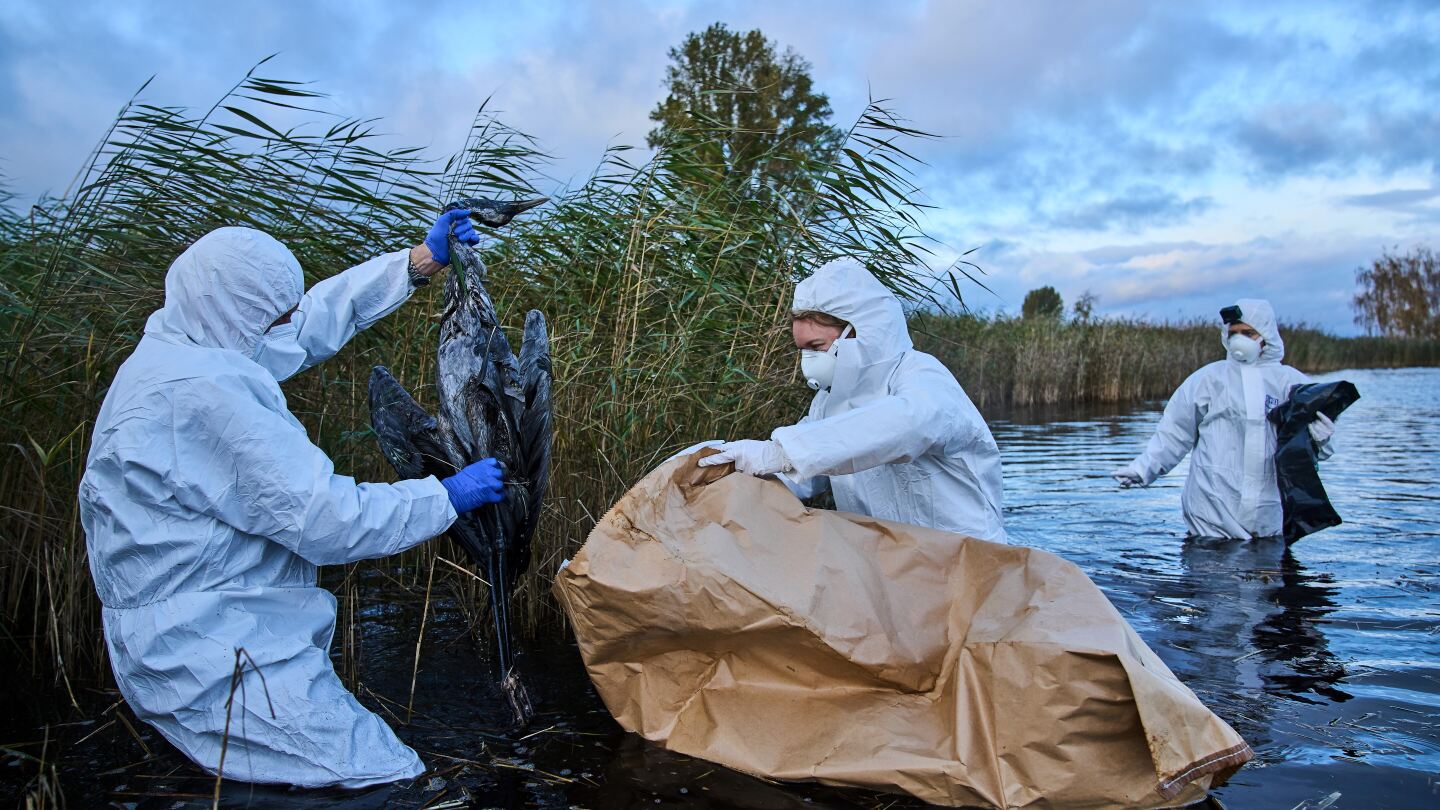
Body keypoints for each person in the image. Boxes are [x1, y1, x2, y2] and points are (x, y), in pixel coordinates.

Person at [78, 213, 506, 788]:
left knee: (268, 781)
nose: (284, 324)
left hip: (202, 631)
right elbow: (326, 520)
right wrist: (446, 496)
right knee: (382, 775)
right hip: (213, 652)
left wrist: (415, 264)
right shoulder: (201, 393)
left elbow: (301, 329)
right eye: (272, 314)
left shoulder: (184, 346)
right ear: (236, 311)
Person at [698, 259, 1006, 543]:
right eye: (802, 349)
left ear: (858, 331)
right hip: (893, 564)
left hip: (969, 561)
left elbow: (908, 424)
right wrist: (725, 473)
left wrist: (783, 452)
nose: (808, 360)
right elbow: (805, 473)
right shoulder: (827, 403)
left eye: (816, 346)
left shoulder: (921, 375)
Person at [1111, 299, 1335, 539]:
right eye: (1233, 333)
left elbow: (1319, 453)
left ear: (1266, 335)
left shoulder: (1292, 383)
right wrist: (1142, 469)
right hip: (1210, 518)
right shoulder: (1208, 379)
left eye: (1248, 333)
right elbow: (1174, 433)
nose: (1238, 339)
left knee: (1268, 562)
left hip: (1270, 519)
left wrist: (1321, 439)